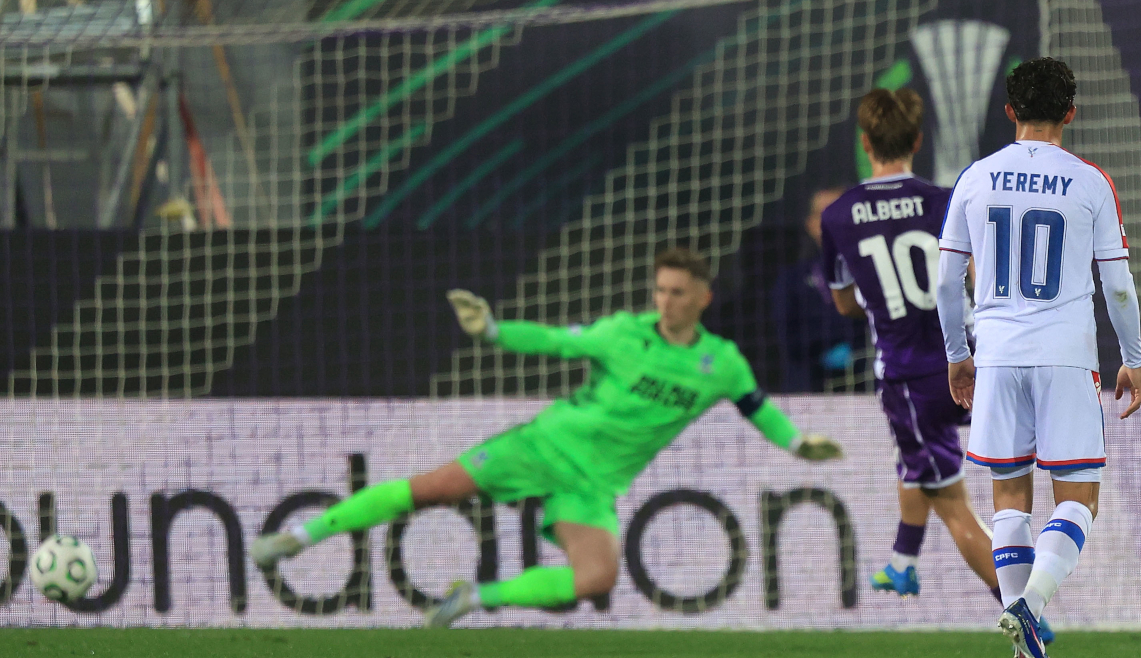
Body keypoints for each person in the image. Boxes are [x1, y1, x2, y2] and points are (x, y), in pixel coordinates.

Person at [251, 247, 843, 626]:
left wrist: (796, 445)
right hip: (543, 445)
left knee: (593, 580)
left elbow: (757, 407)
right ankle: (297, 538)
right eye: (659, 290)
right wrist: (494, 331)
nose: (665, 301)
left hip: (593, 484)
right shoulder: (621, 333)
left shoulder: (722, 362)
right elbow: (556, 341)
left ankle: (473, 599)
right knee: (431, 489)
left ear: (703, 298)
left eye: (677, 292)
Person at [937, 58, 1141, 658]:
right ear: (1070, 114)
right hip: (1066, 354)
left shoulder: (976, 177)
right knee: (1079, 498)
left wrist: (958, 356)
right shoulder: (1089, 181)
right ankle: (1030, 606)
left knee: (1009, 499)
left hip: (996, 354)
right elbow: (1120, 287)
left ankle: (1023, 650)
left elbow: (948, 283)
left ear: (1009, 112)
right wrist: (1132, 359)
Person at [818, 88, 1011, 621]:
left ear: (864, 144)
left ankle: (1024, 608)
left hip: (909, 376)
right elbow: (980, 279)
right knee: (931, 466)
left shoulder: (837, 216)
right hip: (972, 361)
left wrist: (882, 300)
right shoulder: (947, 200)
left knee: (954, 506)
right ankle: (903, 559)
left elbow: (842, 303)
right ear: (917, 141)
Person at [772, 188, 866, 392]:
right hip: (810, 392)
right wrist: (823, 352)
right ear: (811, 225)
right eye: (825, 213)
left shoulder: (878, 272)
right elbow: (787, 337)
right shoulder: (791, 280)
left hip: (870, 386)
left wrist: (858, 353)